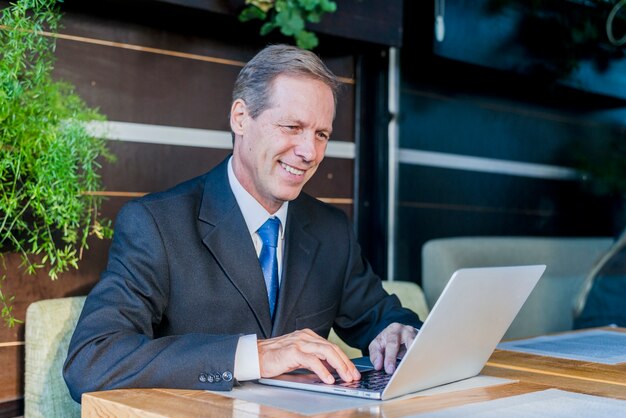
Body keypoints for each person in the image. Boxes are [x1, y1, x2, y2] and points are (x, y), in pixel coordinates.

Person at [63, 44, 423, 402]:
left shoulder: (331, 229)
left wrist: (399, 333)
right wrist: (254, 356)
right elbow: (91, 362)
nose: (309, 152)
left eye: (321, 134)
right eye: (292, 126)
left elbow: (383, 316)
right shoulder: (156, 225)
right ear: (240, 118)